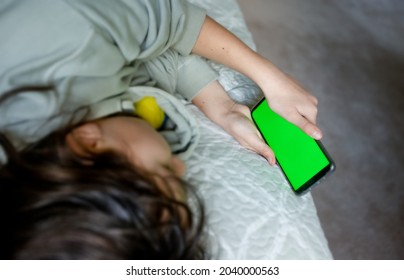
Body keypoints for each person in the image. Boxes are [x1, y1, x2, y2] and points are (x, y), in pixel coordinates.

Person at [0, 0, 322, 259]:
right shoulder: (59, 153)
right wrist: (218, 104)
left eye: (164, 170)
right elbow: (133, 53)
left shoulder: (70, 39)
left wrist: (267, 75)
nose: (181, 165)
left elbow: (164, 18)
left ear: (88, 144)